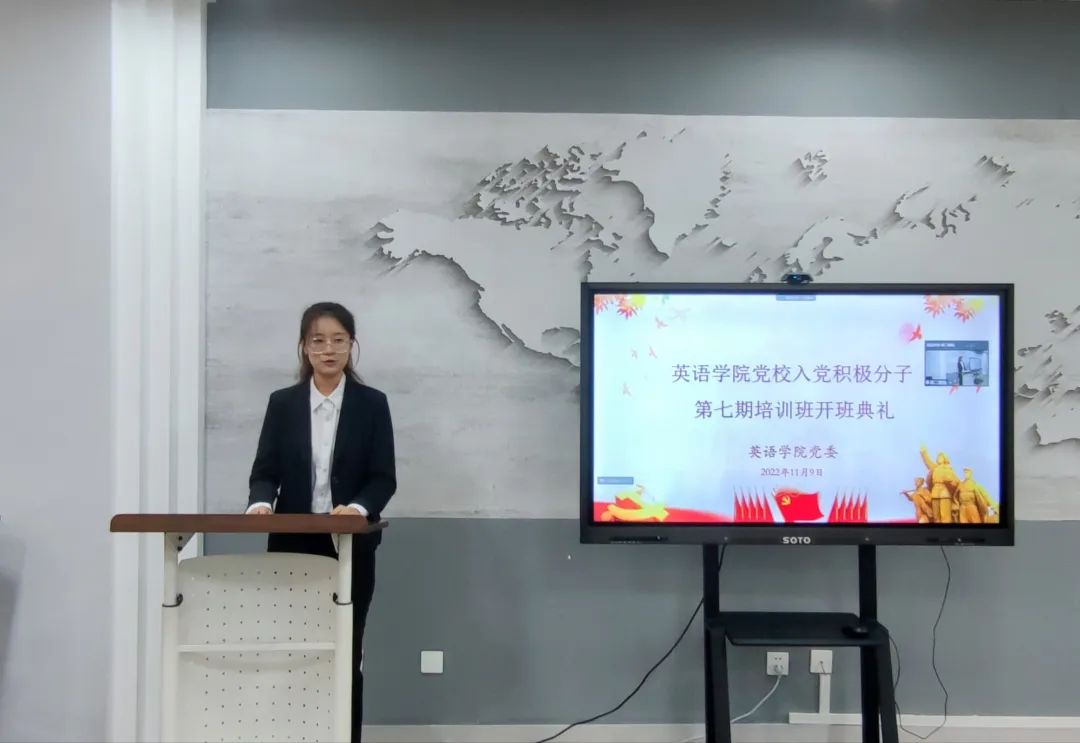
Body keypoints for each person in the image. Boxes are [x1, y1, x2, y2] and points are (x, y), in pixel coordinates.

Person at [247, 301, 396, 743]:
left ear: (351, 345)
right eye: (318, 341)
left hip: (350, 545)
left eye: (338, 340)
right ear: (304, 348)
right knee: (294, 650)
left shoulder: (372, 404)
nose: (329, 349)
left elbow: (383, 478)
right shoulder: (283, 404)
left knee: (346, 650)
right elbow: (265, 472)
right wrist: (260, 504)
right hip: (292, 544)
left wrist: (357, 509)